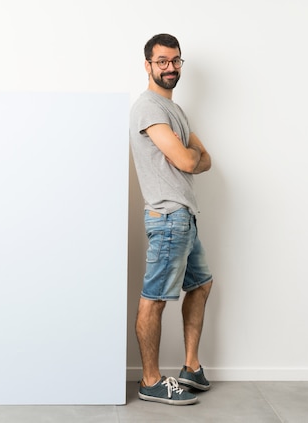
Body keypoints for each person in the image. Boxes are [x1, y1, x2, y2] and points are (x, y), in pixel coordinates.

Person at [129, 33, 214, 406]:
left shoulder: (174, 111)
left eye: (175, 61)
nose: (169, 67)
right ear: (147, 65)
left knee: (201, 284)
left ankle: (190, 366)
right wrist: (189, 155)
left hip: (186, 216)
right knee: (156, 298)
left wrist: (191, 155)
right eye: (161, 61)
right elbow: (187, 161)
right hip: (168, 217)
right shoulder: (149, 107)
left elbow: (206, 159)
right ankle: (150, 380)